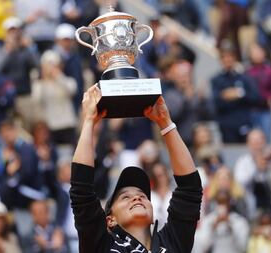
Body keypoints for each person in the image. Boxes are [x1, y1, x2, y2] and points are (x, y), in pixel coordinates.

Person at [70, 85, 202, 252]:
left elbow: (190, 189)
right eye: (125, 197)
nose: (137, 198)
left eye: (142, 196)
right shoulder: (101, 245)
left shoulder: (171, 242)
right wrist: (88, 122)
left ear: (153, 215)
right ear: (110, 220)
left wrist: (165, 123)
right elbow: (81, 190)